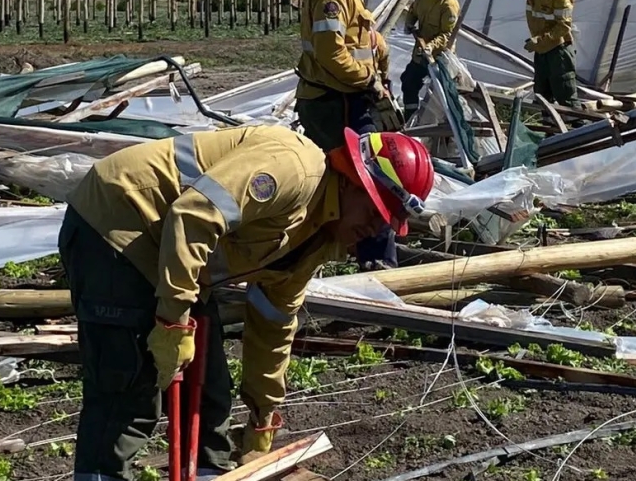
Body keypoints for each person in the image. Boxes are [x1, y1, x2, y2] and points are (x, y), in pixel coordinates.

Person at [60, 125, 435, 481]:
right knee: (128, 390)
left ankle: (209, 471)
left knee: (209, 391)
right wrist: (172, 321)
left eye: (386, 221)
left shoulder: (319, 236)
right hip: (120, 220)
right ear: (352, 181)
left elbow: (274, 322)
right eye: (375, 211)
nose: (375, 229)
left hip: (176, 253)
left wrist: (262, 418)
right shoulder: (294, 169)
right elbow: (193, 215)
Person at [294, 0, 402, 270]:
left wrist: (379, 55)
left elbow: (357, 39)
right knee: (371, 178)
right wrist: (367, 80)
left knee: (352, 179)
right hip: (335, 102)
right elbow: (331, 51)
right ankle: (376, 265)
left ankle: (353, 253)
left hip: (340, 98)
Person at [484, 0, 579, 108]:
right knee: (542, 97)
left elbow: (562, 27)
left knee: (566, 97)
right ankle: (551, 130)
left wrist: (539, 41)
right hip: (541, 52)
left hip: (559, 52)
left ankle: (580, 129)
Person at [399, 0, 461, 118]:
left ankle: (433, 125)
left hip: (439, 58)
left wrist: (431, 46)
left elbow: (447, 34)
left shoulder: (450, 6)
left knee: (438, 95)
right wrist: (409, 23)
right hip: (420, 54)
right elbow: (413, 12)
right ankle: (410, 117)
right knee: (408, 82)